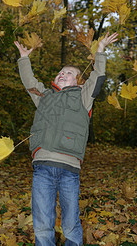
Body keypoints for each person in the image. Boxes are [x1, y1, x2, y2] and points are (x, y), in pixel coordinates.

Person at [14, 32, 118, 246]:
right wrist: (24, 59)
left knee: (71, 221)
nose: (62, 74)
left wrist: (100, 51)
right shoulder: (44, 96)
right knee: (42, 221)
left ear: (79, 81)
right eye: (61, 72)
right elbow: (29, 82)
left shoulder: (83, 96)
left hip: (70, 169)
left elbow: (97, 76)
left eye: (69, 73)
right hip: (42, 167)